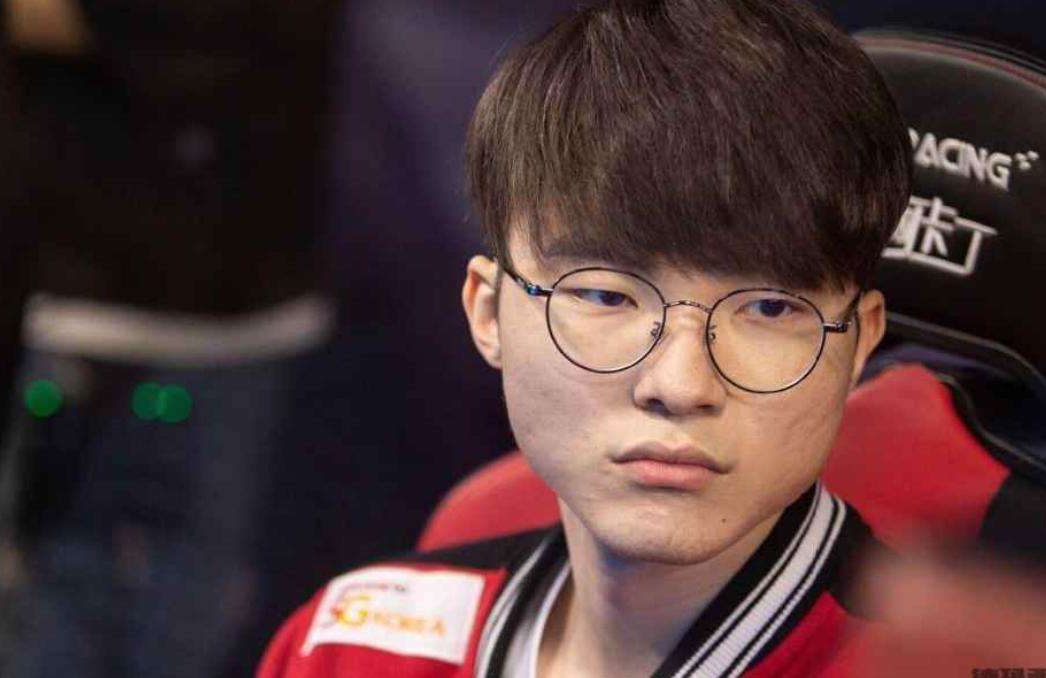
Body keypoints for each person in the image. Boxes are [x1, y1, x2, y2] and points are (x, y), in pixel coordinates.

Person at [258, 0, 911, 675]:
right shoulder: (348, 650)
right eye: (605, 296)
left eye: (770, 309)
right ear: (488, 312)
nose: (680, 385)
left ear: (860, 343)